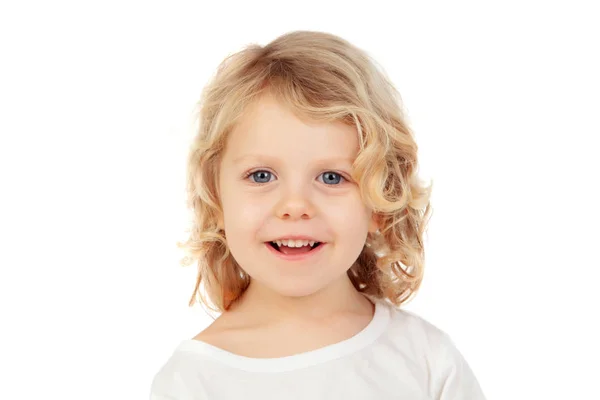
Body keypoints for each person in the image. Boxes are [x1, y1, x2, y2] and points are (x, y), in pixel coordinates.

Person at [150, 30, 486, 399]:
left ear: (380, 202)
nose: (295, 206)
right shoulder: (193, 381)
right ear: (216, 199)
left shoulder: (426, 361)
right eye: (261, 176)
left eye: (331, 177)